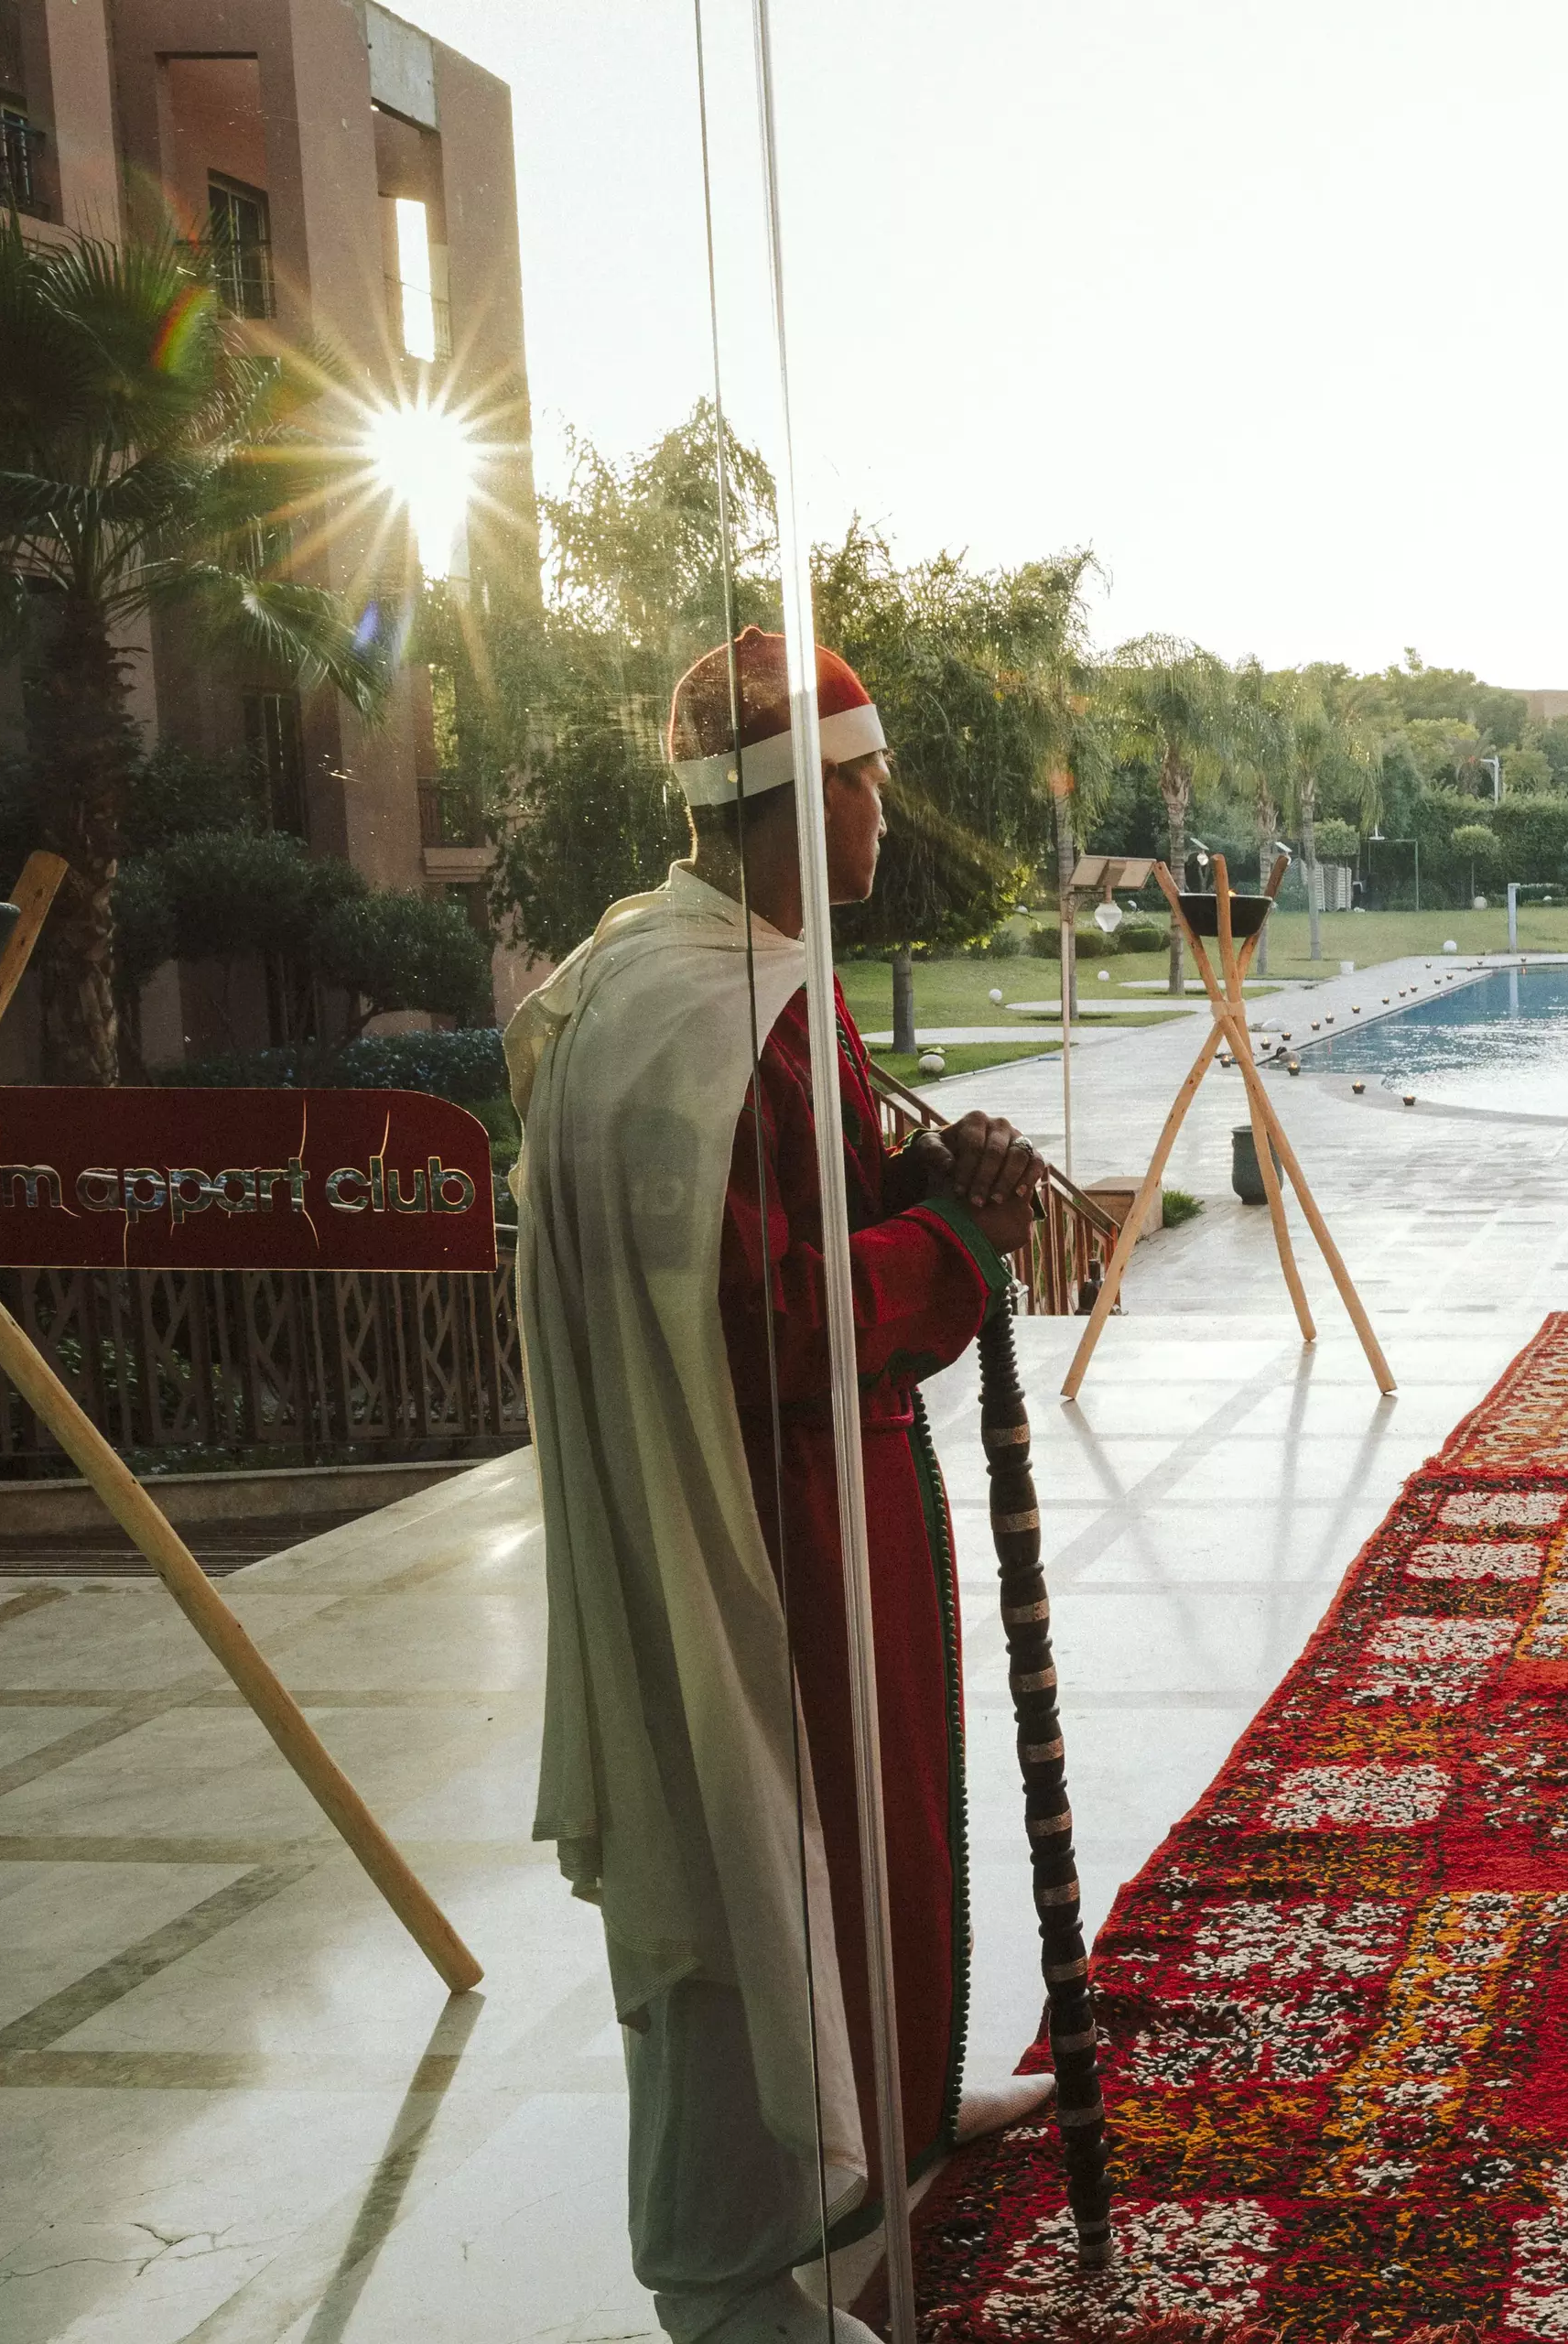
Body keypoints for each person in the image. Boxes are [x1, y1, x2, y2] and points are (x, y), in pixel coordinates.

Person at [514, 627, 1057, 2344]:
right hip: (765, 1529)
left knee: (871, 1835)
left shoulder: (695, 972)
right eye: (863, 779)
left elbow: (784, 1204)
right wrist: (953, 1246)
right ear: (788, 802)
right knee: (796, 1844)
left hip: (803, 1499)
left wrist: (913, 1167)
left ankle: (885, 2114)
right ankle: (775, 2242)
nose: (885, 809)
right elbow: (761, 1309)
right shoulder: (705, 1004)